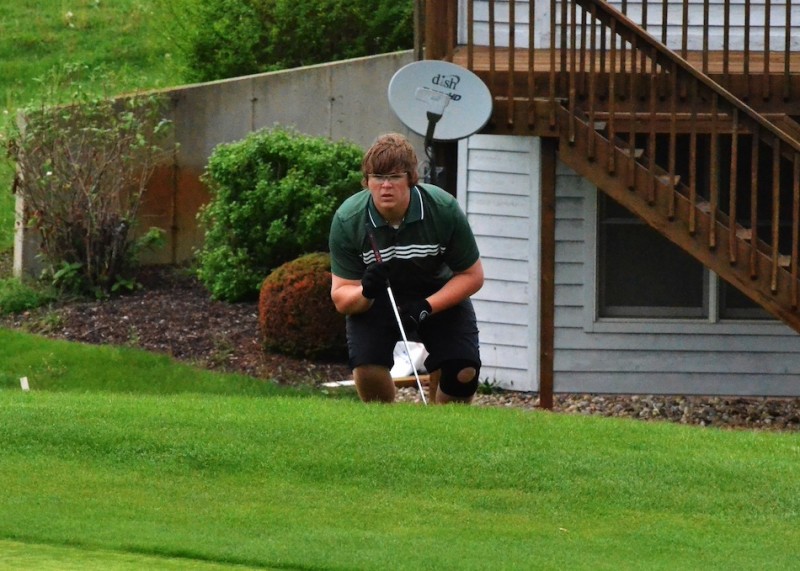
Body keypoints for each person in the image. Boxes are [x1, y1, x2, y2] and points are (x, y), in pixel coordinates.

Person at [329, 133, 484, 404]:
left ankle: (444, 433)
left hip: (437, 294)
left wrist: (427, 306)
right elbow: (341, 297)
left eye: (395, 177)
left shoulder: (443, 208)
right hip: (376, 298)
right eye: (377, 177)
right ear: (366, 181)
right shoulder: (348, 219)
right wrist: (366, 291)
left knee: (463, 373)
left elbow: (472, 276)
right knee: (366, 371)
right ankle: (390, 432)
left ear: (412, 178)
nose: (385, 186)